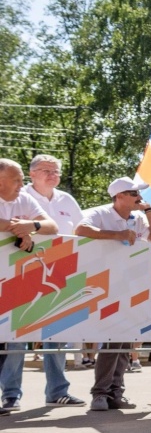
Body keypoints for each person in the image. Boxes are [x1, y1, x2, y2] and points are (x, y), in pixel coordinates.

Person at [75, 176, 151, 411]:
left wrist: (150, 211)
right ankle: (100, 393)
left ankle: (115, 393)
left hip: (129, 287)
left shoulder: (138, 217)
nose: (139, 197)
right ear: (119, 196)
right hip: (101, 286)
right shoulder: (101, 213)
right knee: (112, 341)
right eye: (134, 193)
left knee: (125, 340)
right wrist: (117, 235)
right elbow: (81, 229)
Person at [0, 159, 66, 413]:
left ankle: (12, 395)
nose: (22, 184)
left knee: (15, 337)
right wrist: (17, 229)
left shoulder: (24, 199)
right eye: (16, 179)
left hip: (16, 281)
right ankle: (11, 394)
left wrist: (32, 226)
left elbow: (52, 226)